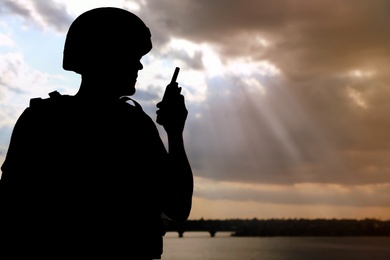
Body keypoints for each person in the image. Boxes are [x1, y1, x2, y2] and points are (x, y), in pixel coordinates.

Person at [0, 7, 193, 259]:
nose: (139, 66)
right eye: (132, 55)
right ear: (106, 56)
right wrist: (175, 132)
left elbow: (9, 214)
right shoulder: (134, 127)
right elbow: (178, 207)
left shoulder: (40, 119)